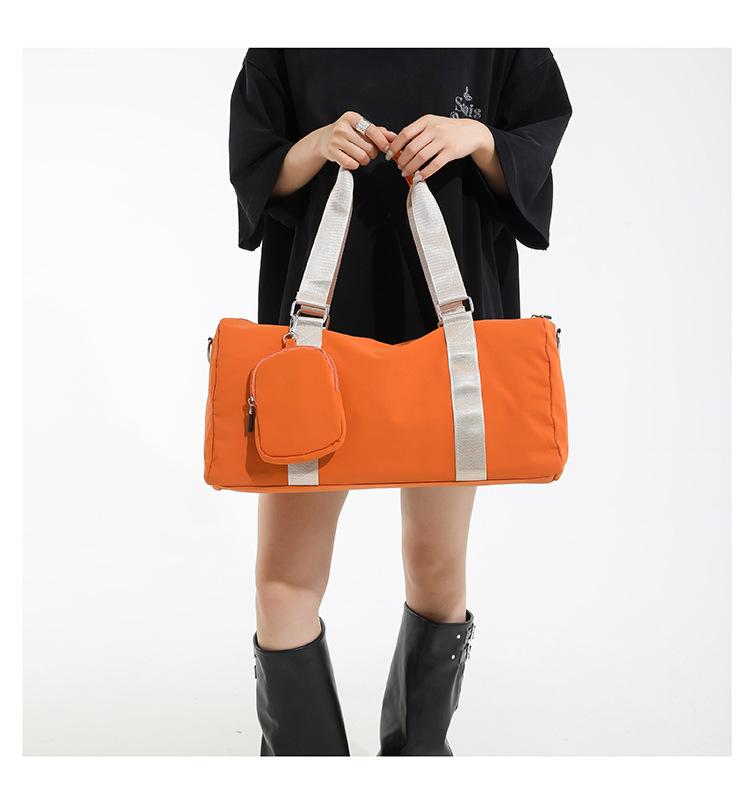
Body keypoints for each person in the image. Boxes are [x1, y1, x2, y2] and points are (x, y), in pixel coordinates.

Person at [229, 48, 571, 756]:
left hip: (449, 322)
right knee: (283, 582)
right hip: (317, 332)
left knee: (437, 569)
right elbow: (256, 166)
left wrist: (474, 137)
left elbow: (533, 143)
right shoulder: (287, 36)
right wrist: (317, 146)